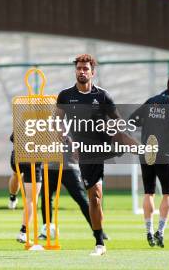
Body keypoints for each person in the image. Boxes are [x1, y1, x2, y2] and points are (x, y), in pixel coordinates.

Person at [55, 54, 140, 256]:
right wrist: (68, 141)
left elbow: (117, 120)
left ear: (92, 72)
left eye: (85, 69)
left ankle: (140, 148)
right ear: (75, 71)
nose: (82, 72)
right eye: (79, 69)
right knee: (95, 197)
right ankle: (100, 242)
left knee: (120, 136)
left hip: (105, 141)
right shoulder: (65, 96)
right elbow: (57, 122)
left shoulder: (102, 96)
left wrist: (118, 131)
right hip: (86, 151)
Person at [130, 73, 169, 248]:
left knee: (149, 192)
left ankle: (148, 231)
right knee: (168, 194)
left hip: (147, 151)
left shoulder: (151, 100)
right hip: (164, 154)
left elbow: (133, 120)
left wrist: (148, 123)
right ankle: (160, 232)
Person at [37, 159, 109, 242]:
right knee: (46, 199)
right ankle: (46, 231)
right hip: (48, 168)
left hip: (69, 168)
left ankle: (98, 231)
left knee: (81, 199)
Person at [8, 133, 42, 243]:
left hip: (18, 157)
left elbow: (13, 138)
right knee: (31, 200)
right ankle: (23, 232)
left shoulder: (22, 119)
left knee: (16, 174)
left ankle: (12, 197)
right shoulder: (45, 123)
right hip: (33, 158)